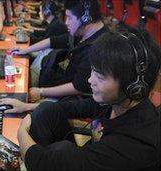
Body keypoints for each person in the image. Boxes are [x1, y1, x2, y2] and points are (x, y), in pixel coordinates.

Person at [17, 28, 161, 170]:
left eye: (100, 76)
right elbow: (75, 107)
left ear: (132, 87)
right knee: (47, 110)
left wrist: (22, 132)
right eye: (93, 70)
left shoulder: (133, 145)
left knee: (58, 151)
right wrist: (27, 107)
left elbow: (43, 163)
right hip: (93, 154)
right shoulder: (119, 101)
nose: (90, 80)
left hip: (97, 160)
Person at [0, 0, 108, 112]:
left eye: (69, 17)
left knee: (18, 103)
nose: (66, 22)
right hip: (62, 84)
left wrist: (41, 92)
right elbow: (53, 41)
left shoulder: (98, 48)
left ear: (85, 19)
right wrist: (25, 50)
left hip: (72, 100)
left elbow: (78, 88)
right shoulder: (82, 34)